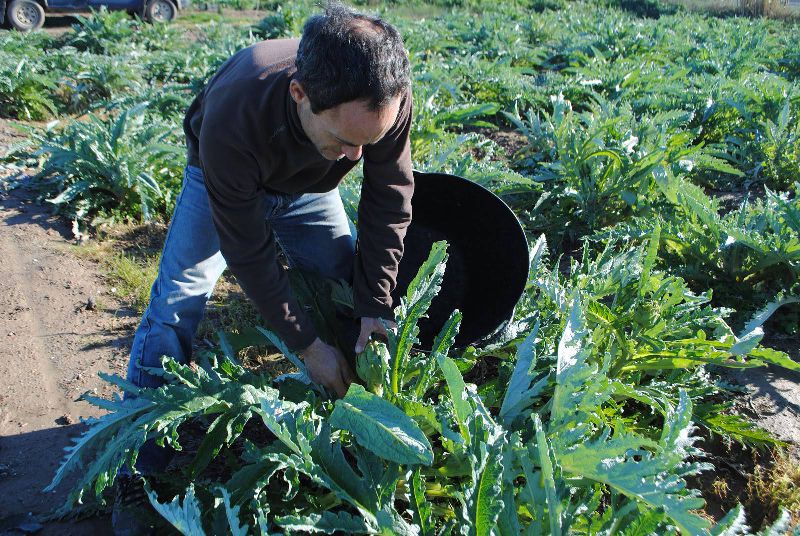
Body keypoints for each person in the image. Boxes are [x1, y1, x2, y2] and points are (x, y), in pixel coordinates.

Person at [112, 3, 413, 534]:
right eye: (345, 141)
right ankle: (140, 464)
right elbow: (248, 252)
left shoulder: (383, 97)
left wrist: (375, 304)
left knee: (343, 288)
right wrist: (308, 346)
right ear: (300, 94)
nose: (355, 157)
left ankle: (349, 428)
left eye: (367, 143)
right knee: (177, 303)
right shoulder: (234, 115)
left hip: (309, 190)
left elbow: (389, 199)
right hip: (224, 178)